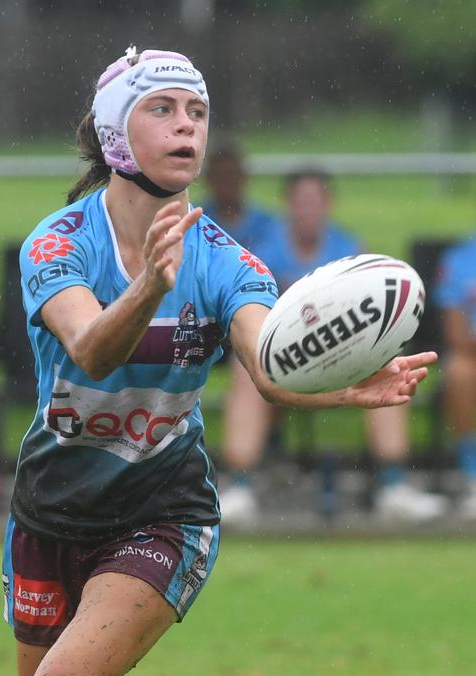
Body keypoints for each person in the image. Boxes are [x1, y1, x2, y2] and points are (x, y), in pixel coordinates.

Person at [0, 47, 437, 676]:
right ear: (115, 134)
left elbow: (269, 360)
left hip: (163, 516)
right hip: (49, 511)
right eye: (166, 109)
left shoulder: (222, 259)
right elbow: (90, 352)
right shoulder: (56, 244)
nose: (189, 126)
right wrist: (146, 285)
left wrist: (340, 383)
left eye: (198, 111)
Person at [218, 169, 448, 527]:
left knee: (387, 365)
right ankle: (240, 487)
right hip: (283, 355)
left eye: (315, 199)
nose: (308, 208)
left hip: (341, 352)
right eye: (301, 200)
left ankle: (393, 486)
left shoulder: (349, 249)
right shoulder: (262, 249)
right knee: (245, 368)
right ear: (288, 204)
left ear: (328, 203)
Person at [435, 233, 476, 516]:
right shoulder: (460, 260)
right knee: (458, 371)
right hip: (471, 354)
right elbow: (455, 334)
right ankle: (472, 474)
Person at [202, 143, 274, 254]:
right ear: (209, 179)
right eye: (221, 176)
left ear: (244, 177)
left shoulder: (267, 225)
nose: (227, 182)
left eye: (232, 174)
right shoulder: (197, 221)